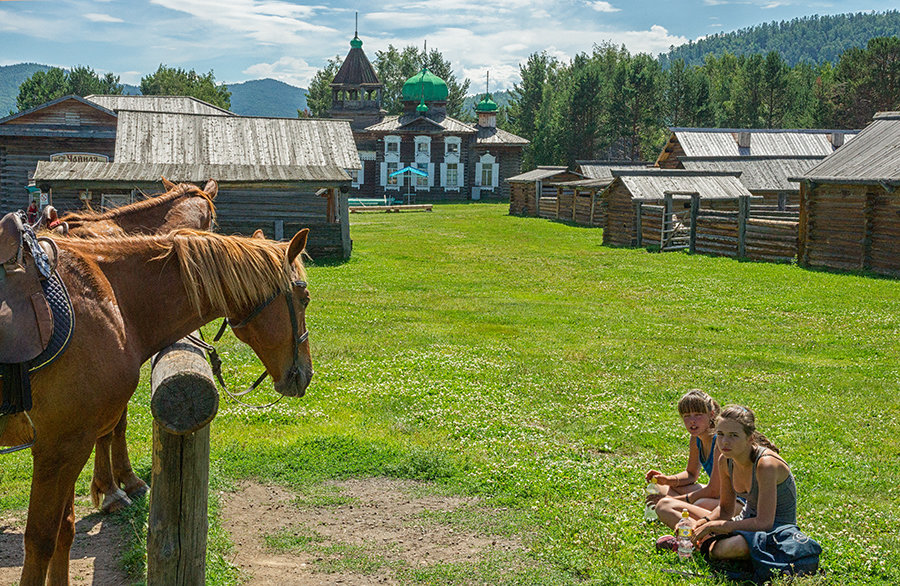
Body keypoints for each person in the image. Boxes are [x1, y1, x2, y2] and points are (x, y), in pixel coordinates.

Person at [684, 405, 820, 579]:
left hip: (777, 531)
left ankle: (712, 545)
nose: (725, 442)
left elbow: (765, 523)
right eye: (721, 434)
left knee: (728, 548)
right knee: (668, 508)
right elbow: (726, 510)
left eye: (734, 435)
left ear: (750, 437)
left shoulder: (766, 465)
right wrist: (703, 522)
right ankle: (708, 542)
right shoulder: (725, 461)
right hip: (746, 522)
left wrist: (717, 527)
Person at [645, 389, 722, 527]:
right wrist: (668, 479)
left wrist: (678, 500)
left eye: (698, 415)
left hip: (735, 500)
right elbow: (691, 474)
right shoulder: (696, 438)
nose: (692, 421)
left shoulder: (720, 442)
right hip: (717, 495)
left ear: (711, 414)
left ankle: (692, 527)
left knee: (699, 503)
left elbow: (714, 490)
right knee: (661, 487)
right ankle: (681, 514)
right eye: (687, 415)